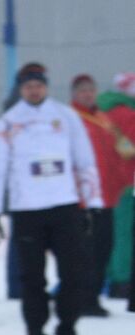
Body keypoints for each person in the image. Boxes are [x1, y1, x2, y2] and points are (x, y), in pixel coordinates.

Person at [0, 62, 103, 335]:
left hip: (64, 206)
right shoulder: (7, 124)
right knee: (31, 280)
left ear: (46, 86)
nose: (34, 90)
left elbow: (85, 161)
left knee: (74, 275)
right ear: (21, 89)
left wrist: (91, 202)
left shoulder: (66, 117)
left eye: (38, 84)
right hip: (27, 211)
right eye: (28, 86)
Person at [71, 73, 134, 316]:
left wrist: (125, 166)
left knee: (102, 247)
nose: (87, 94)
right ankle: (81, 297)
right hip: (81, 197)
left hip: (108, 193)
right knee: (83, 249)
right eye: (82, 90)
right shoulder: (70, 118)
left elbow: (124, 148)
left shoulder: (104, 118)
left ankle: (92, 296)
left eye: (90, 90)